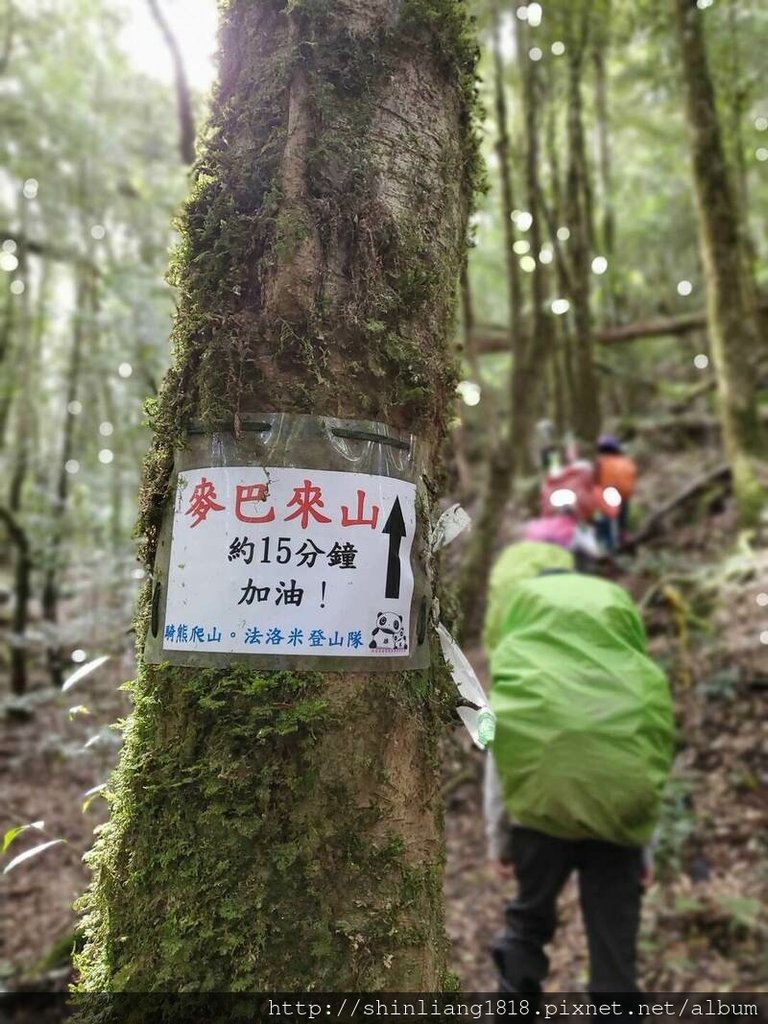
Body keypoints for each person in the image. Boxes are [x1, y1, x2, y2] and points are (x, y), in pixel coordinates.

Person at [483, 545, 674, 998]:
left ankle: (516, 1006)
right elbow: (648, 755)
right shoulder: (633, 675)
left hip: (538, 815)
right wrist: (646, 846)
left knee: (529, 924)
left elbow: (501, 754)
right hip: (618, 819)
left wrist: (499, 837)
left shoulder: (522, 666)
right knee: (614, 944)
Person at [594, 435, 638, 552]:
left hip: (607, 499)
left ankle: (608, 549)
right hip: (624, 498)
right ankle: (623, 536)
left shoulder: (600, 463)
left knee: (605, 526)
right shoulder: (627, 463)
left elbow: (595, 482)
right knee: (621, 525)